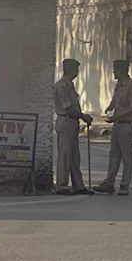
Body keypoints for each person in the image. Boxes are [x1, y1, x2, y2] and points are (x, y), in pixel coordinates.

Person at [95, 59, 132, 195]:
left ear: (121, 71)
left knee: (126, 156)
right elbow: (116, 100)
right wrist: (110, 107)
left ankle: (124, 185)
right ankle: (109, 182)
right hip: (117, 124)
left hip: (127, 124)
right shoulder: (119, 85)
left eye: (115, 70)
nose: (114, 73)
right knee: (114, 154)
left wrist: (116, 117)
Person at [51, 59, 86, 194]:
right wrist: (83, 116)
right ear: (70, 70)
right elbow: (68, 108)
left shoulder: (70, 85)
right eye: (76, 69)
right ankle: (62, 185)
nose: (77, 72)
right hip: (65, 121)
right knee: (65, 155)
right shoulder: (62, 86)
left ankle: (78, 185)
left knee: (74, 156)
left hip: (72, 122)